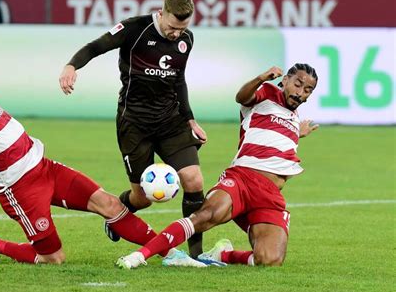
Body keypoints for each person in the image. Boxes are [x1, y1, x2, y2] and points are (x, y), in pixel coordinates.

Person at [0, 48, 205, 267]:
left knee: (110, 204)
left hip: (44, 168)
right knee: (53, 259)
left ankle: (169, 253)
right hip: (20, 188)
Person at [116, 63, 319, 269]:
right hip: (243, 179)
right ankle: (140, 255)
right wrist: (261, 78)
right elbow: (241, 97)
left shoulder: (294, 119)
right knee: (205, 216)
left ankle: (223, 255)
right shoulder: (267, 94)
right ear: (285, 81)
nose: (300, 92)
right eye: (297, 84)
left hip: (270, 194)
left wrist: (297, 132)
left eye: (307, 90)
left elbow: (276, 141)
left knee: (270, 259)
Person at [59, 0, 208, 259]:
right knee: (144, 198)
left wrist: (190, 119)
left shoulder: (186, 39)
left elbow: (178, 80)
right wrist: (72, 66)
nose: (177, 34)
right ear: (161, 14)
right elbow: (96, 46)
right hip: (134, 124)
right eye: (173, 27)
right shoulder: (134, 28)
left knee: (194, 180)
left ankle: (196, 254)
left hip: (170, 121)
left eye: (182, 28)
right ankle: (116, 215)